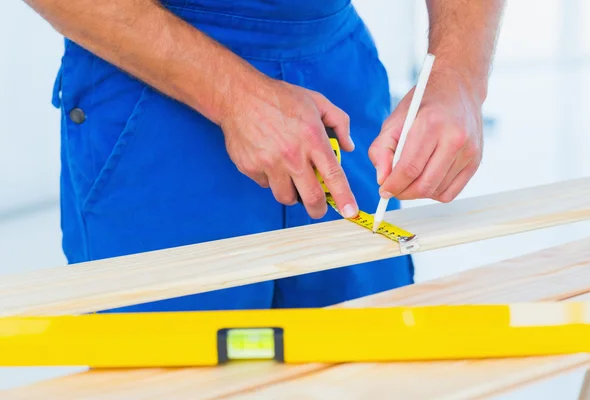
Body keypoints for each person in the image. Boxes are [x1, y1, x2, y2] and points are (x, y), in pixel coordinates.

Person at [25, 0, 504, 311]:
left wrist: (460, 73)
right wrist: (233, 94)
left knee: (368, 363)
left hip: (333, 64)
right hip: (153, 83)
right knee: (173, 370)